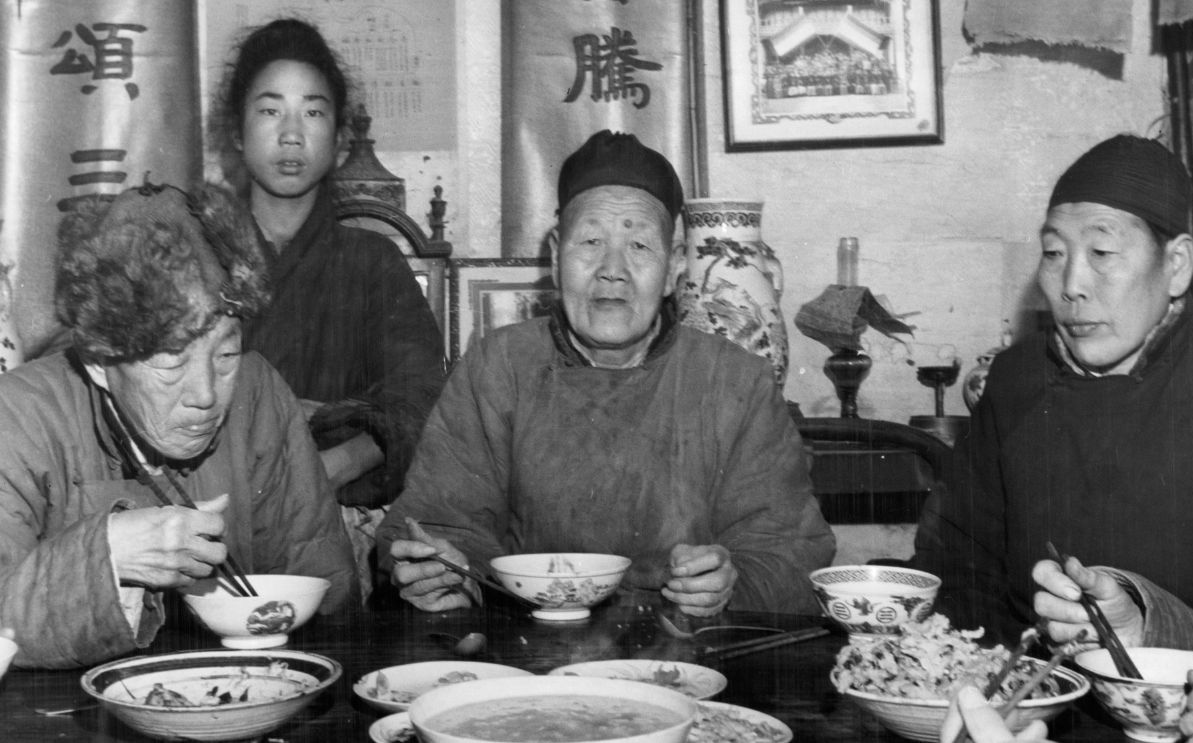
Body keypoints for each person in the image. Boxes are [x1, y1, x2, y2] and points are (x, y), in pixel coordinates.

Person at [377, 130, 835, 616]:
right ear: (555, 256)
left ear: (675, 266)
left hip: (689, 654)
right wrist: (445, 571)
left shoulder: (736, 382)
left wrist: (731, 582)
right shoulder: (499, 366)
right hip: (528, 648)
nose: (611, 269)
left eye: (639, 245)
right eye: (591, 241)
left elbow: (790, 550)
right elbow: (441, 524)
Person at [914, 134, 1193, 665]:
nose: (1071, 284)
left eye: (1102, 252)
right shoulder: (1016, 377)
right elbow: (959, 561)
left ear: (1178, 264)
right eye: (1053, 254)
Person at [0, 181, 356, 669]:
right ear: (101, 362)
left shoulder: (256, 395)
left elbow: (323, 589)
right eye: (171, 364)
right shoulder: (17, 415)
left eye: (226, 354)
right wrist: (106, 554)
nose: (207, 394)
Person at [213, 18, 445, 595]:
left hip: (338, 524)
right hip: (209, 522)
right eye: (270, 110)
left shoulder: (374, 264)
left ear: (341, 137)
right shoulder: (196, 256)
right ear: (237, 132)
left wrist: (326, 464)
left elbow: (420, 403)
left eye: (313, 112)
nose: (292, 134)